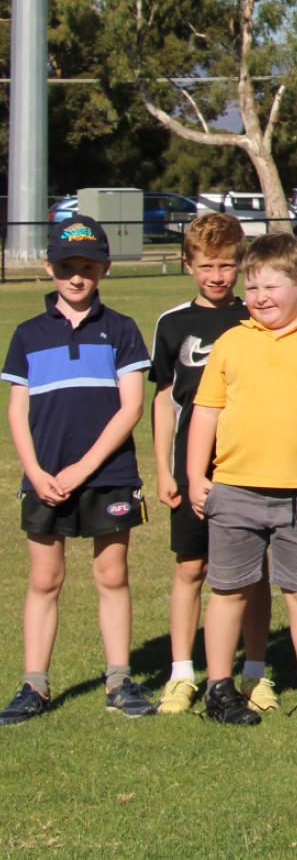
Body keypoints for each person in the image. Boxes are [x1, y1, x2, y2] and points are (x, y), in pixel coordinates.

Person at [185, 233, 297, 727]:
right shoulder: (232, 340)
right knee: (228, 590)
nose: (260, 296)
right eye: (253, 287)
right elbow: (205, 410)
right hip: (234, 488)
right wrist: (194, 475)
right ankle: (219, 690)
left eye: (272, 286)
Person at [1, 216, 154, 725]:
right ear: (49, 267)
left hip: (108, 476)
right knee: (45, 578)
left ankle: (119, 680)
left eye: (87, 267)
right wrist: (37, 471)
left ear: (104, 268)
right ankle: (34, 685)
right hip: (44, 480)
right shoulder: (27, 335)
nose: (76, 277)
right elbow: (16, 411)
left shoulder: (122, 330)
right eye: (66, 266)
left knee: (112, 573)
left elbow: (130, 408)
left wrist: (84, 469)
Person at [148, 212, 273, 717]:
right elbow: (162, 401)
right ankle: (182, 673)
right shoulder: (173, 323)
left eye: (226, 265)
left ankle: (255, 673)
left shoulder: (255, 316)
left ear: (241, 264)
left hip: (250, 466)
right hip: (192, 467)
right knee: (191, 567)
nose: (217, 276)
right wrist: (163, 468)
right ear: (187, 264)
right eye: (206, 266)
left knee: (253, 572)